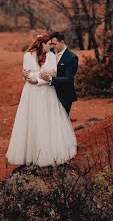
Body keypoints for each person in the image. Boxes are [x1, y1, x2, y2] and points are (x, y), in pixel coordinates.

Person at [6, 33, 77, 167]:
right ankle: (31, 153)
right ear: (42, 44)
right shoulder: (27, 56)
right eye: (49, 44)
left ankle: (47, 153)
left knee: (46, 120)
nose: (51, 47)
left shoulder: (50, 56)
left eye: (52, 44)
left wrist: (36, 79)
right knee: (31, 120)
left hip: (46, 92)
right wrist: (31, 76)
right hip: (30, 93)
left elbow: (52, 73)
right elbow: (27, 73)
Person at [40, 31, 78, 116]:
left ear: (62, 42)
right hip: (49, 93)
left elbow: (68, 79)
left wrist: (51, 79)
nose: (52, 46)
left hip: (64, 95)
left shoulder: (72, 57)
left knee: (62, 121)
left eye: (54, 44)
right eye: (51, 44)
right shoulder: (49, 53)